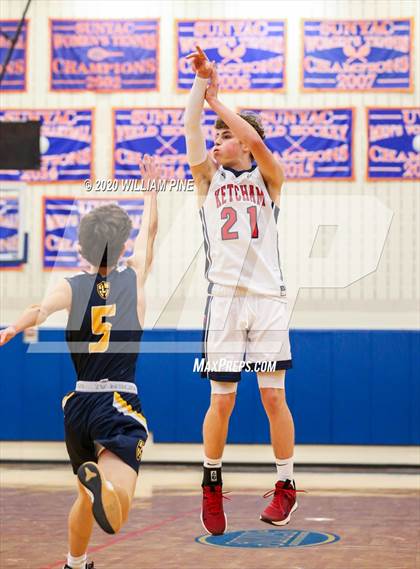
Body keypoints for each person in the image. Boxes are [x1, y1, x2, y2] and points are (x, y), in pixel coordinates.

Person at [0, 156, 159, 569]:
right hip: (118, 403)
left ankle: (76, 562)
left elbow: (39, 308)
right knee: (118, 501)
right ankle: (104, 487)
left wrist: (11, 329)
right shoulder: (134, 278)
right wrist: (152, 190)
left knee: (84, 495)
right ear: (122, 246)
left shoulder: (70, 286)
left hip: (79, 407)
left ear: (80, 248)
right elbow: (150, 235)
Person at [184, 47, 297, 535]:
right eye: (216, 135)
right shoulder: (207, 179)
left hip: (267, 299)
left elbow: (250, 134)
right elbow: (191, 131)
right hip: (225, 300)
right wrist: (201, 87)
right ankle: (211, 483)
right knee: (222, 402)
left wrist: (218, 100)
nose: (216, 141)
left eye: (223, 136)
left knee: (274, 398)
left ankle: (286, 485)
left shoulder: (269, 175)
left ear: (245, 144)